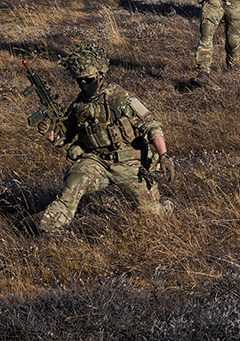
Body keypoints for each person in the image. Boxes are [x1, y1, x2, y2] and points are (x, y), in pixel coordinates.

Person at [36, 43, 173, 233]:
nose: (84, 85)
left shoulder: (120, 99)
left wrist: (164, 156)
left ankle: (165, 208)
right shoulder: (79, 105)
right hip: (96, 162)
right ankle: (49, 230)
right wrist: (50, 132)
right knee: (73, 183)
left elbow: (152, 126)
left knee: (151, 217)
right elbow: (63, 138)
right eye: (80, 81)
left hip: (127, 164)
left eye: (89, 80)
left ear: (101, 75)